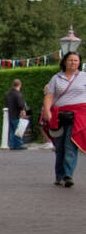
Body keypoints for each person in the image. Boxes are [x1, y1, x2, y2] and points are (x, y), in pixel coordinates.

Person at [42, 51, 86, 187]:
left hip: (78, 115)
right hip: (59, 116)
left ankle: (68, 175)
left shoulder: (84, 77)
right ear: (65, 62)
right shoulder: (56, 78)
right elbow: (49, 95)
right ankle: (59, 175)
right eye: (70, 60)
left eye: (76, 61)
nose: (73, 63)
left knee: (70, 144)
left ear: (79, 63)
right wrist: (48, 110)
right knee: (60, 146)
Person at [5, 79, 29, 149]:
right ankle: (19, 144)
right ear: (19, 85)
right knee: (18, 130)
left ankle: (12, 145)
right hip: (16, 114)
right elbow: (20, 104)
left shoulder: (8, 93)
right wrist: (23, 110)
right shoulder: (18, 94)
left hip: (9, 114)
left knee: (12, 131)